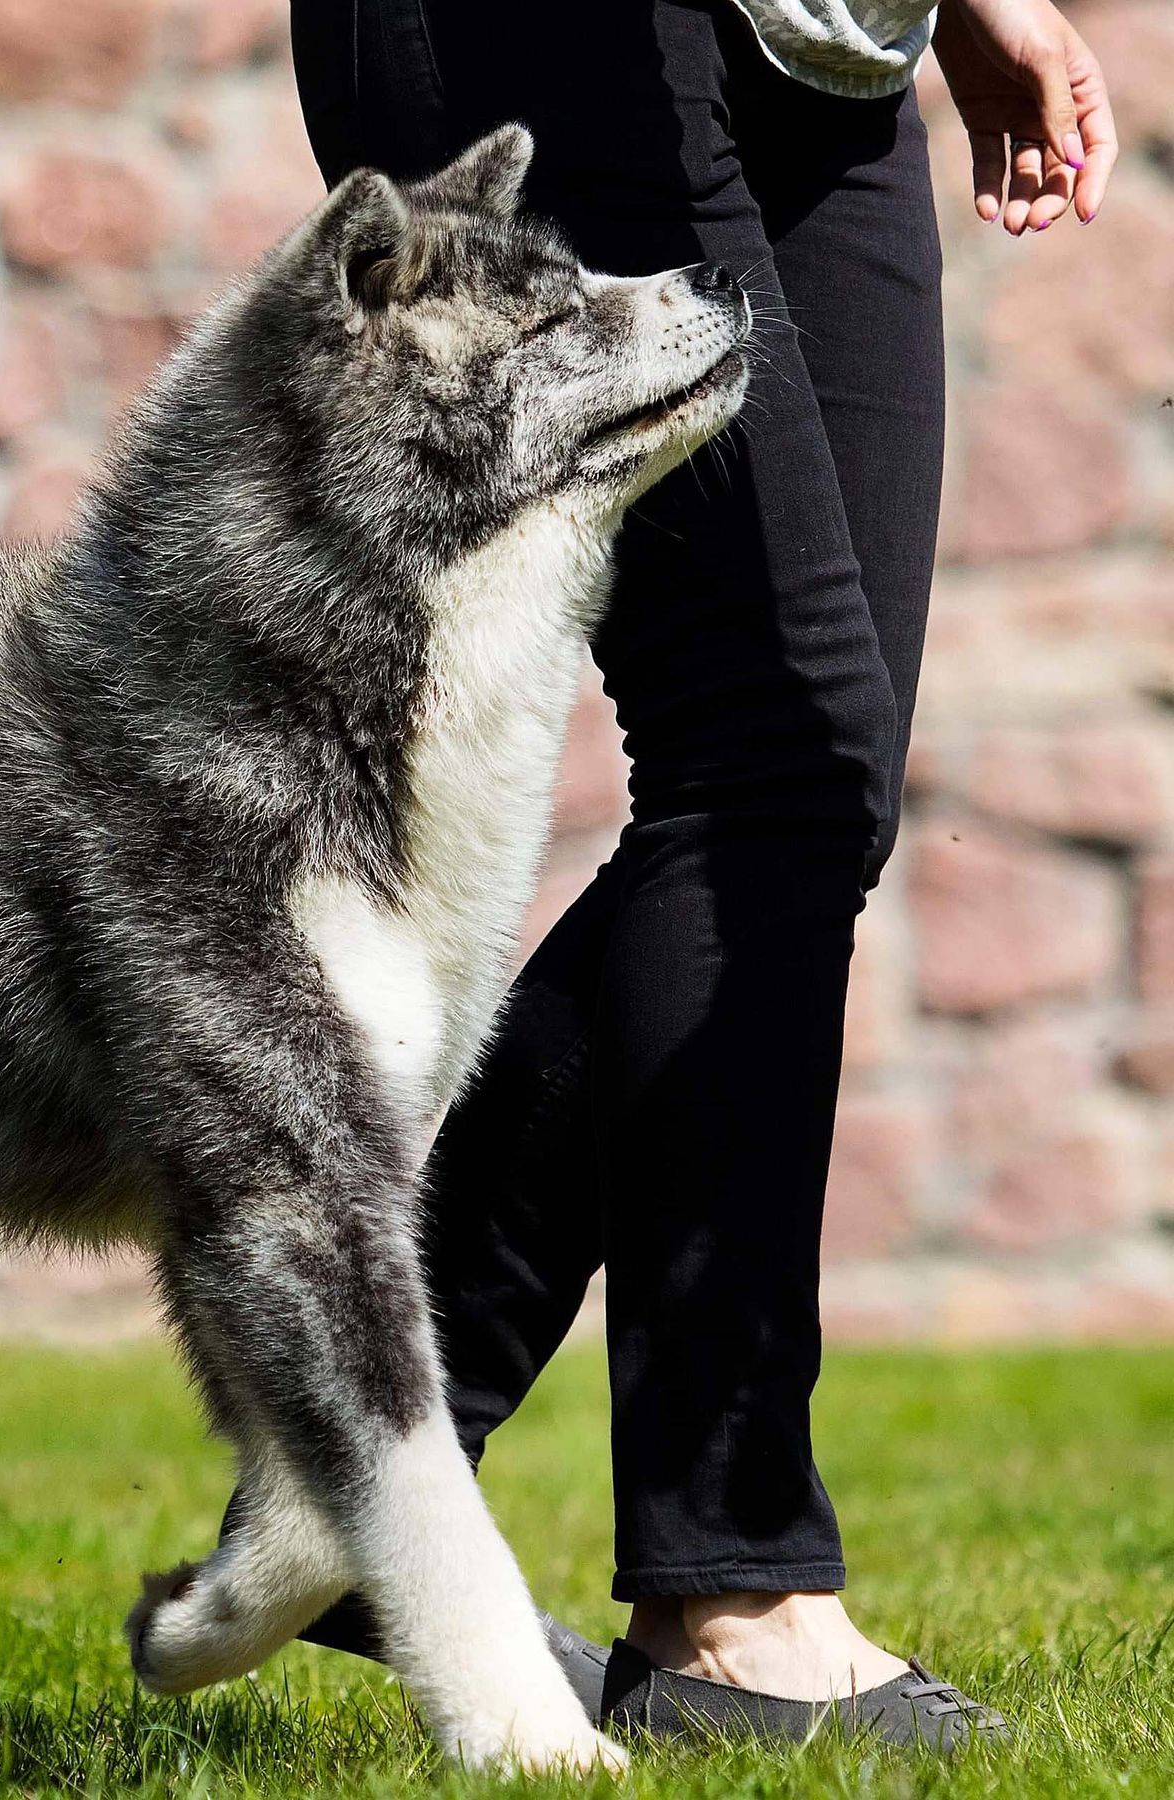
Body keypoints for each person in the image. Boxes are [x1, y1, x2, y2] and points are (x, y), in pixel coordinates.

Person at [233, 0, 1118, 1744]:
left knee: (806, 787)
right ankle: (733, 1599)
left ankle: (350, 1457)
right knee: (772, 750)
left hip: (824, 52)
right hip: (569, 40)